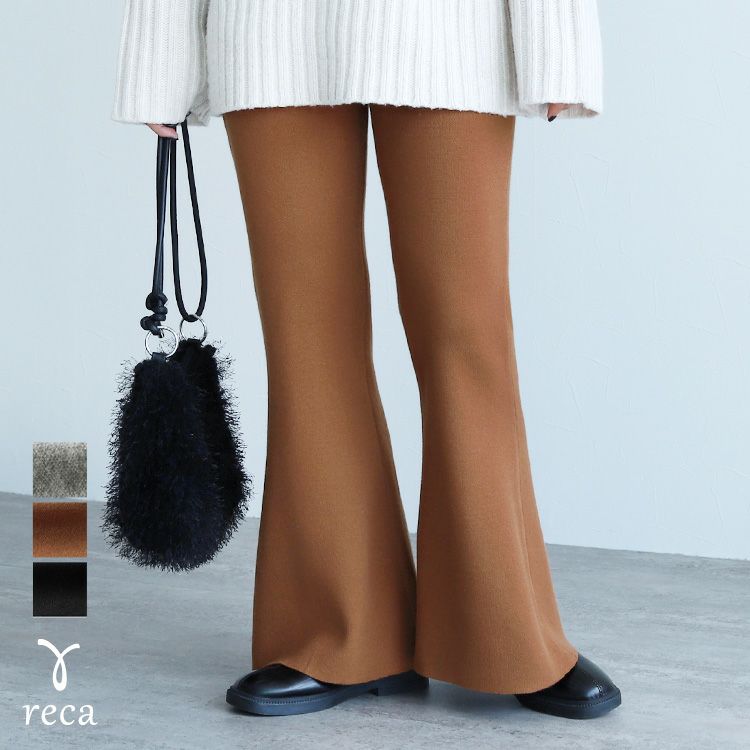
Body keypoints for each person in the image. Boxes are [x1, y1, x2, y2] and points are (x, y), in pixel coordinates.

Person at [112, 0, 621, 720]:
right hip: (269, 32)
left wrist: (558, 43)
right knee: (305, 340)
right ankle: (339, 633)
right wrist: (159, 58)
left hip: (451, 30)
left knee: (466, 334)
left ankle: (505, 633)